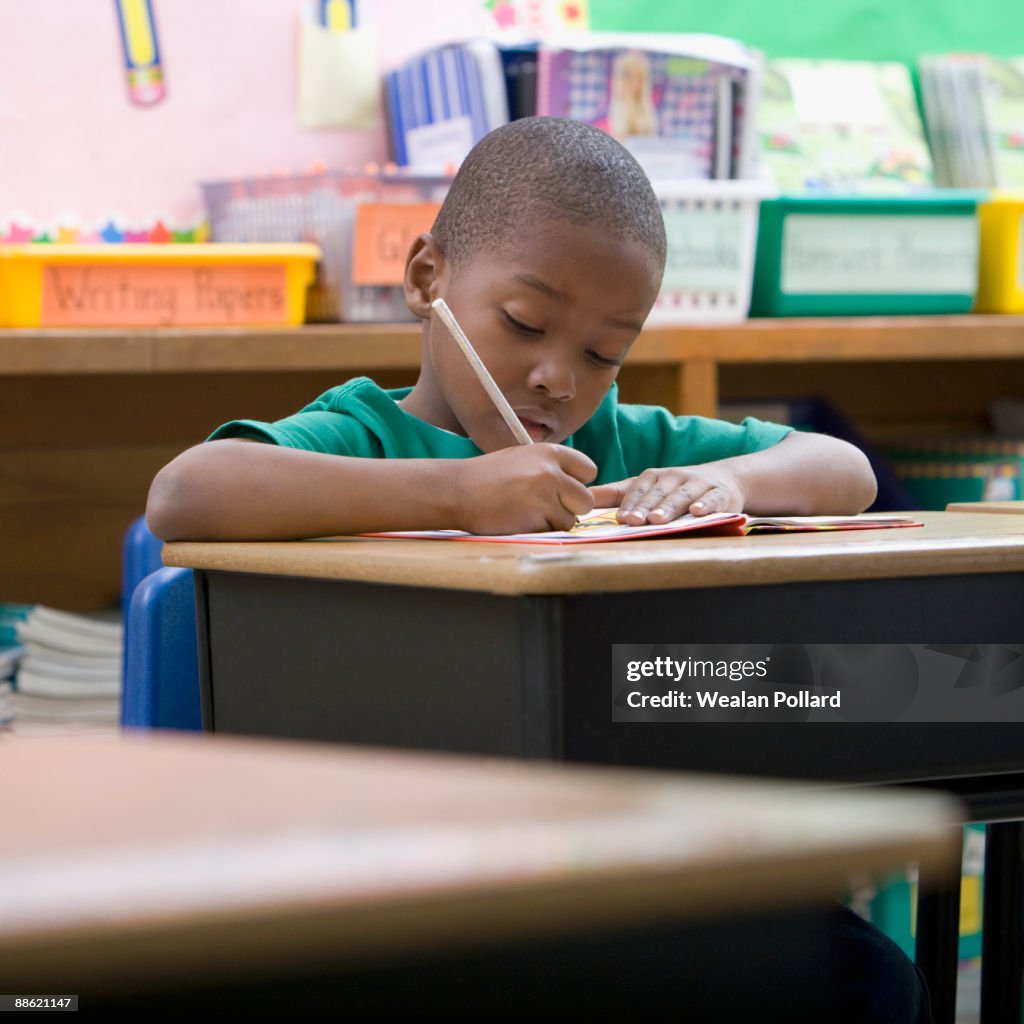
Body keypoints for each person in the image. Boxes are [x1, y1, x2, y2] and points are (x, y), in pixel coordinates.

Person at [146, 116, 875, 542]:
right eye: (525, 324)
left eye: (603, 352)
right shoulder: (364, 436)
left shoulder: (621, 451)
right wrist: (458, 494)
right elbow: (185, 494)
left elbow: (848, 471)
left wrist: (724, 480)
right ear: (429, 279)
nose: (559, 377)